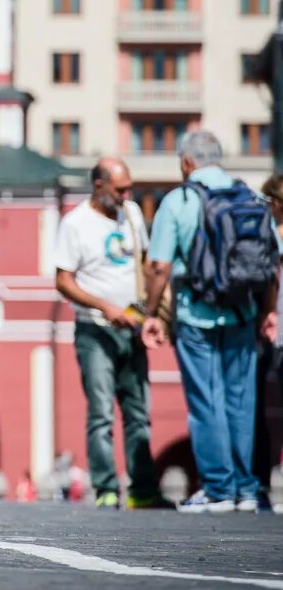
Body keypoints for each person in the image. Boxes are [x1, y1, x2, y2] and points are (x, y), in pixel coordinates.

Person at [142, 131, 279, 513]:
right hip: (242, 313)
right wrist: (268, 311)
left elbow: (158, 266)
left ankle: (219, 489)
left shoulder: (179, 200)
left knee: (206, 402)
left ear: (186, 162)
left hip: (195, 314)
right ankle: (247, 489)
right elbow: (270, 266)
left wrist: (152, 313)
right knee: (241, 401)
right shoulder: (251, 198)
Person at [54, 156, 168, 510]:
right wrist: (104, 306)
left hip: (132, 327)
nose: (126, 194)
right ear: (99, 185)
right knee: (101, 412)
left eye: (128, 188)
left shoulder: (131, 214)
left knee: (139, 411)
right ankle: (105, 487)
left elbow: (148, 265)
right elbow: (62, 281)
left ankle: (142, 488)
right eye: (120, 189)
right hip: (95, 330)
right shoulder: (75, 224)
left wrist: (154, 313)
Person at [255, 173, 283, 512]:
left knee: (258, 412)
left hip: (268, 330)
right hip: (273, 329)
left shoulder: (270, 237)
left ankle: (259, 486)